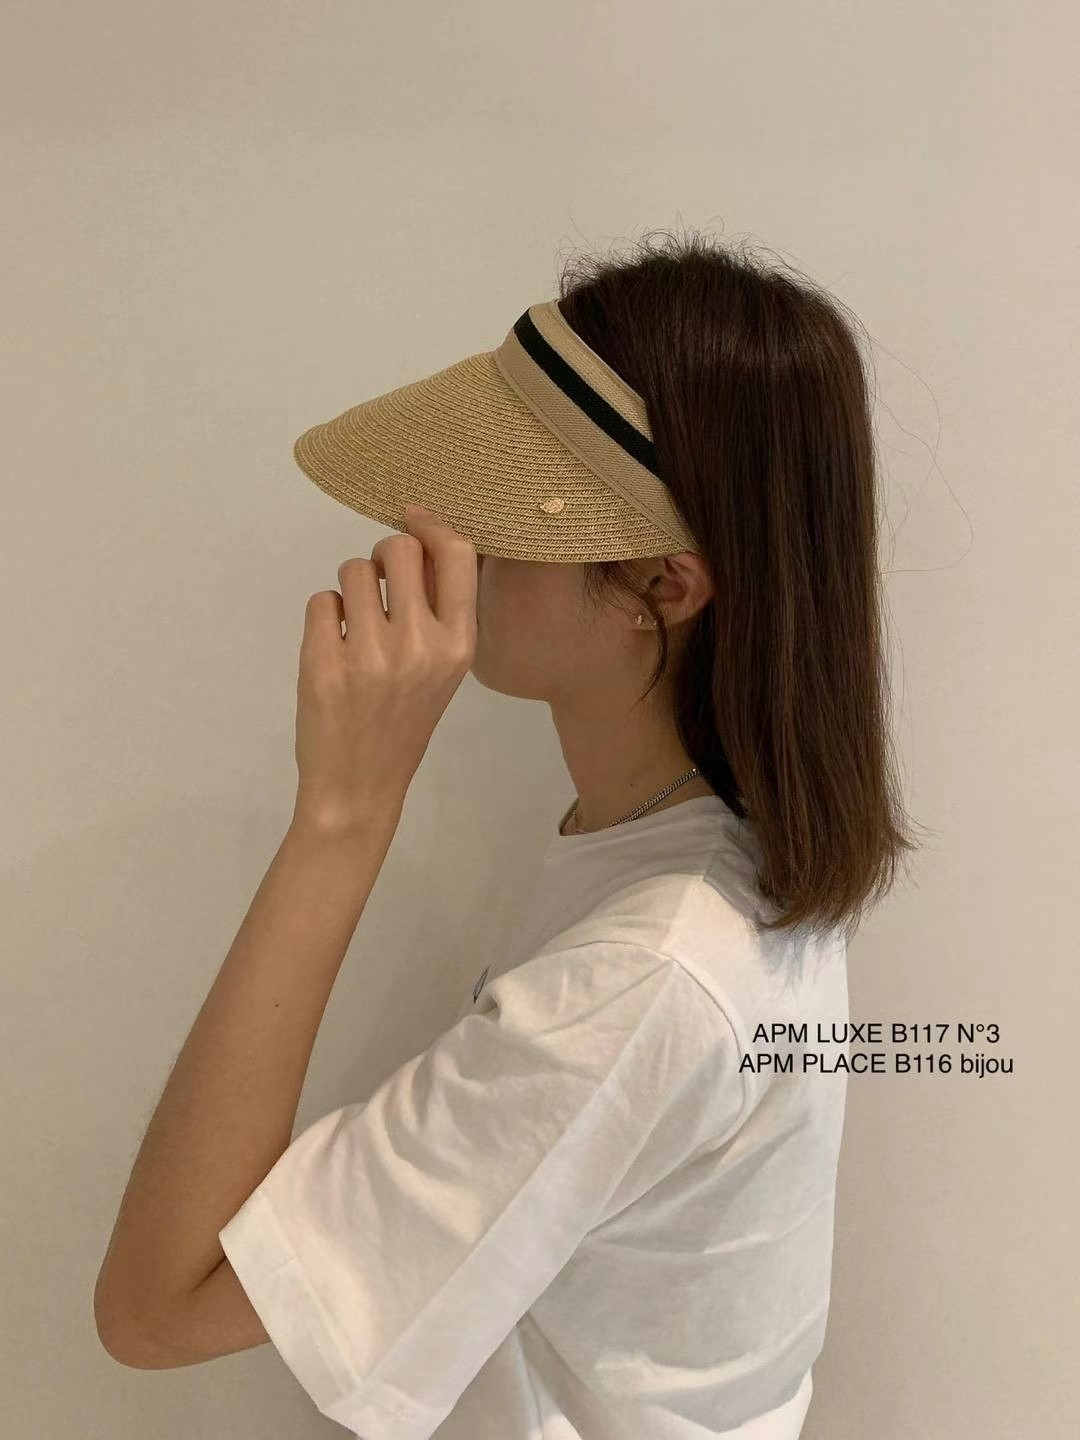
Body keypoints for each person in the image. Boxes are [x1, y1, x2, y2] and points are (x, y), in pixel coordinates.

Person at [216, 229, 920, 1439]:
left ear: (664, 587)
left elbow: (157, 1307)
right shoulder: (722, 841)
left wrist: (343, 812)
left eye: (497, 518)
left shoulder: (645, 974)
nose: (439, 546)